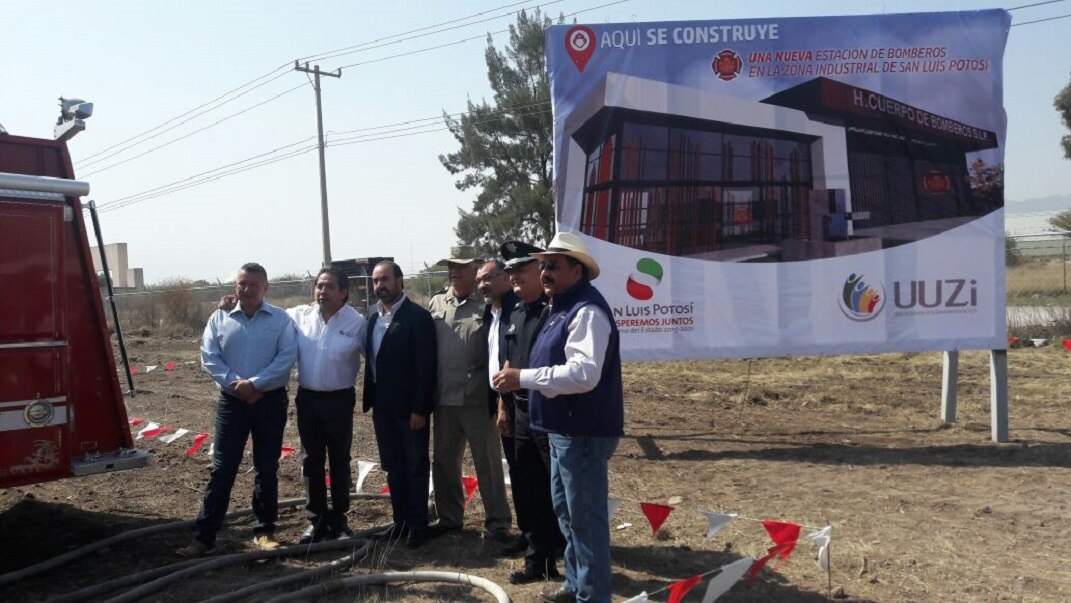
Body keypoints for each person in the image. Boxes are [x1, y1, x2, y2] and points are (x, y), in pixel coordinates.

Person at [493, 232, 624, 603]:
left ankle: (592, 595)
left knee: (585, 520)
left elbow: (583, 374)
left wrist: (523, 378)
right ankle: (576, 585)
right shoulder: (562, 305)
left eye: (553, 265)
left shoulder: (586, 311)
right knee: (567, 514)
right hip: (562, 429)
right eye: (544, 264)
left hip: (581, 431)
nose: (545, 271)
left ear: (577, 271)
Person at [180, 262, 298, 558]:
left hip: (269, 402)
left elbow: (286, 358)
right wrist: (237, 385)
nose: (246, 290)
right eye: (241, 284)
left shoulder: (281, 320)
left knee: (266, 468)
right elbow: (209, 356)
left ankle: (264, 531)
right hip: (232, 403)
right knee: (222, 469)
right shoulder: (219, 317)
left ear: (265, 288)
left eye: (253, 285)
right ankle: (204, 537)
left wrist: (256, 384)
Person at [495, 240, 567, 585]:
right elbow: (509, 362)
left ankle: (562, 553)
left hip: (551, 412)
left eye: (521, 270)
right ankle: (537, 558)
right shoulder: (517, 312)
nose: (514, 277)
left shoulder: (557, 311)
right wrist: (503, 405)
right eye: (510, 272)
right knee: (526, 486)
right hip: (521, 410)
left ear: (541, 271)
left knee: (557, 489)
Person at [428, 246, 512, 541]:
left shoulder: (489, 305)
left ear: (475, 268)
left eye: (461, 266)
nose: (454, 271)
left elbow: (502, 347)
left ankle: (498, 521)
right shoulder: (437, 303)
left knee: (487, 462)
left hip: (477, 398)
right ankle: (449, 517)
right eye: (451, 265)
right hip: (444, 398)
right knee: (443, 461)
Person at [362, 260, 438, 549]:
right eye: (375, 281)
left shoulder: (417, 317)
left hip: (410, 410)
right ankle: (400, 522)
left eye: (385, 280)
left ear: (399, 281)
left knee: (415, 465)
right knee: (393, 467)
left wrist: (420, 409)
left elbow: (426, 367)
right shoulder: (372, 317)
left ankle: (418, 525)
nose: (380, 286)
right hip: (382, 407)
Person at [289, 268, 366, 543]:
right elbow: (268, 317)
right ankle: (316, 521)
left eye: (329, 286)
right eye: (319, 286)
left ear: (343, 292)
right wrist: (230, 305)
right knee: (311, 460)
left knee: (340, 460)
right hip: (308, 398)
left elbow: (376, 355)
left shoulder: (357, 323)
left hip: (339, 400)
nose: (322, 291)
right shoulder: (298, 316)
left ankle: (339, 519)